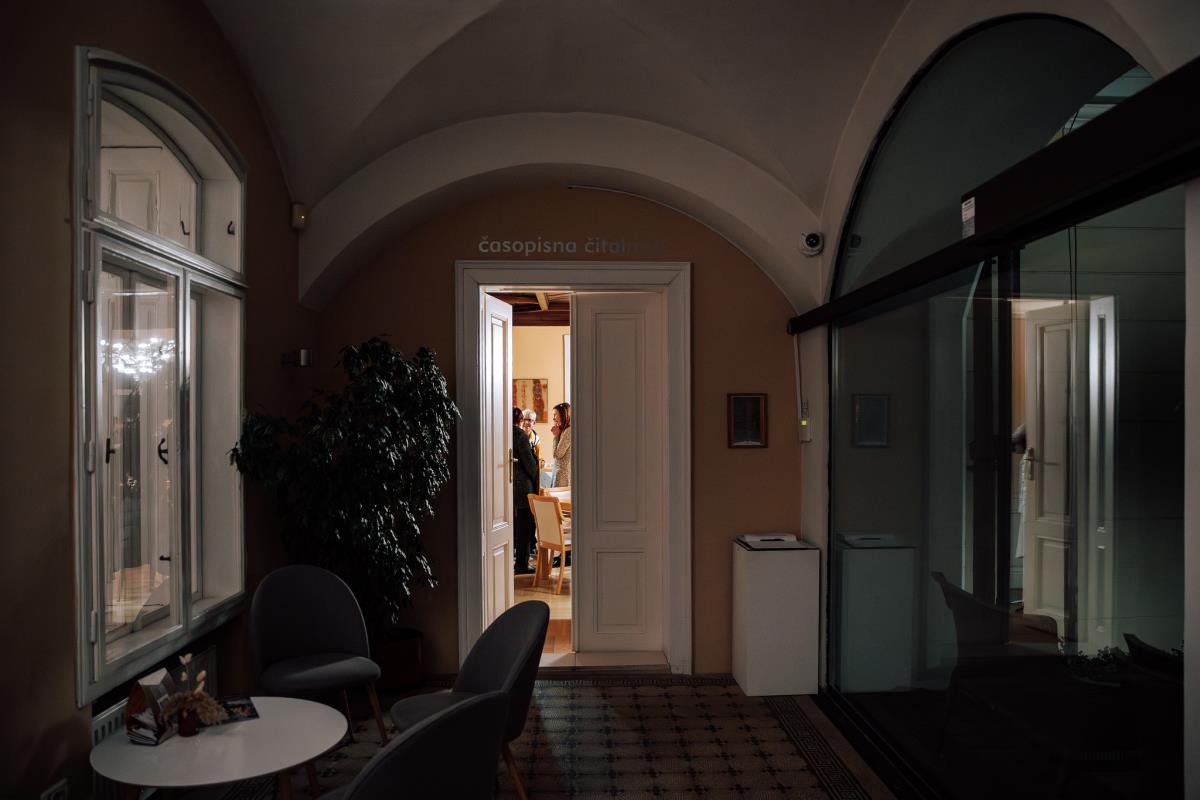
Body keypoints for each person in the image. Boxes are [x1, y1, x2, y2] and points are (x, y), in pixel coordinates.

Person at [511, 406, 539, 574]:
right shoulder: (520, 435)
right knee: (525, 526)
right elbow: (530, 465)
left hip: (509, 487)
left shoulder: (502, 434)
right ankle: (522, 564)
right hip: (523, 488)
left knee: (513, 526)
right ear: (520, 420)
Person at [551, 402, 572, 488]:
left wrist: (556, 436)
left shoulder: (568, 431)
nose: (553, 418)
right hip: (559, 473)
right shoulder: (564, 431)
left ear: (563, 414)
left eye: (555, 414)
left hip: (562, 476)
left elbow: (557, 454)